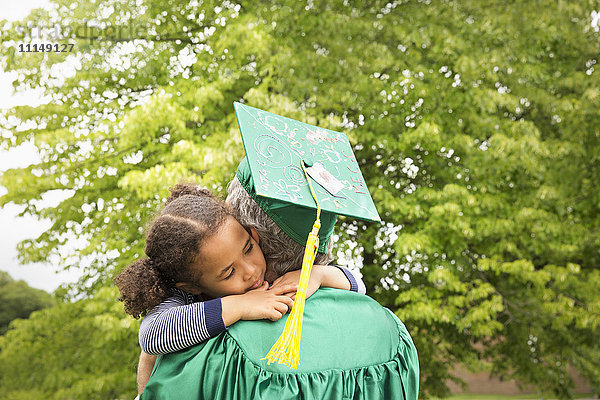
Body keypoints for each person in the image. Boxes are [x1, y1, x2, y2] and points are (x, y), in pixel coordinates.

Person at [114, 183, 367, 392]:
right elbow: (151, 335)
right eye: (229, 272)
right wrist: (240, 305)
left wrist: (318, 275)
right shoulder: (184, 298)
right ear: (192, 286)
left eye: (248, 248)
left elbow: (358, 285)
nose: (251, 271)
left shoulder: (273, 273)